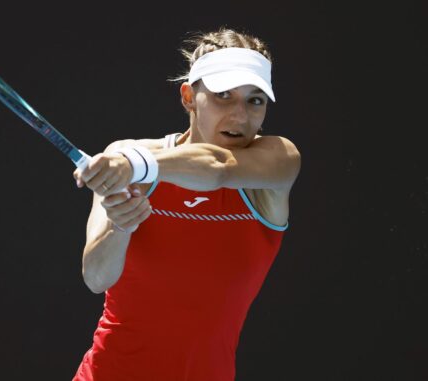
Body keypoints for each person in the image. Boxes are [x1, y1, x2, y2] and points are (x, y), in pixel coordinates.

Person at [70, 28, 301, 381]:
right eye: (223, 95)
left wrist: (135, 163)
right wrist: (121, 224)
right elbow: (97, 277)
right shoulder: (128, 160)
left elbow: (219, 168)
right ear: (188, 97)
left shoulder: (278, 163)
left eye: (255, 100)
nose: (240, 116)